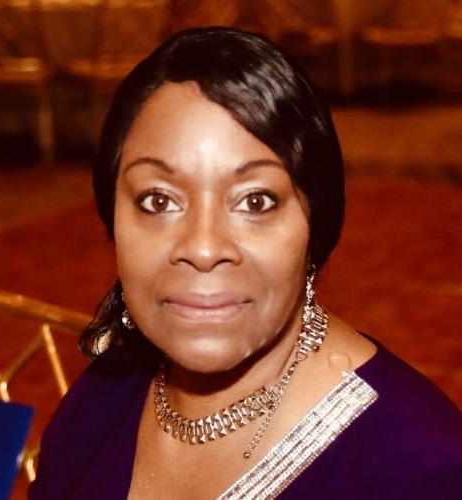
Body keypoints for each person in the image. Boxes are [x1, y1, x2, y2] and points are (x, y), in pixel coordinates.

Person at [29, 27, 462, 499]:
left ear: (315, 224)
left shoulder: (416, 466)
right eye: (158, 200)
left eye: (255, 201)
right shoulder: (104, 396)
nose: (203, 246)